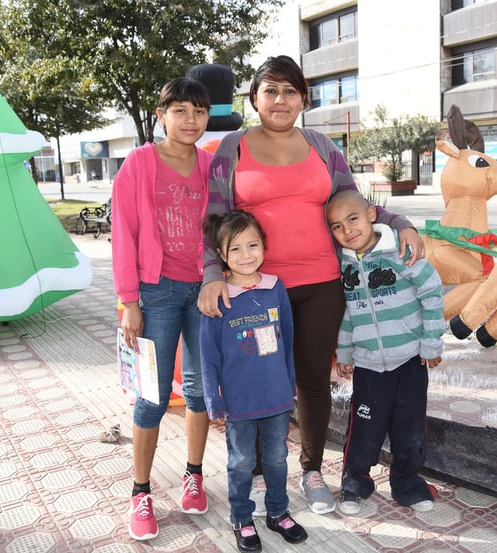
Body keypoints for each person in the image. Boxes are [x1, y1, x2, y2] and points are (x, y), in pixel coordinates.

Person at [197, 54, 426, 515]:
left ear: (303, 97)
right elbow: (215, 218)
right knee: (260, 378)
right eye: (270, 91)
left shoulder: (322, 145)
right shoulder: (233, 149)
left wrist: (400, 222)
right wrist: (211, 273)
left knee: (312, 382)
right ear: (255, 99)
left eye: (290, 90)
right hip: (257, 290)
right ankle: (260, 475)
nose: (280, 100)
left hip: (323, 282)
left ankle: (312, 469)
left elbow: (354, 205)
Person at [111, 77, 213, 540]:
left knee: (198, 389)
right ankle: (140, 492)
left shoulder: (212, 165)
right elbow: (124, 234)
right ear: (161, 115)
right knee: (151, 394)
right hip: (157, 292)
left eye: (199, 111)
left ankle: (194, 474)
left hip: (204, 291)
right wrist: (128, 299)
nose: (190, 120)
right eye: (180, 111)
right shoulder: (139, 162)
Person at [326, 189, 444, 515]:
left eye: (353, 219)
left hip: (409, 360)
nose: (347, 230)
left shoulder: (400, 253)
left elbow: (432, 293)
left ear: (371, 215)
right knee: (364, 428)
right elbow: (350, 313)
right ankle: (355, 482)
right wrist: (346, 353)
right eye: (337, 226)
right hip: (368, 366)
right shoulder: (346, 268)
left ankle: (407, 484)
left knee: (409, 429)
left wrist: (431, 342)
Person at [200, 210, 308, 552]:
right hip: (239, 402)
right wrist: (213, 401)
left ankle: (278, 512)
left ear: (264, 246)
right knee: (242, 462)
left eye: (253, 245)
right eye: (235, 249)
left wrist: (290, 385)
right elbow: (208, 354)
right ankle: (242, 518)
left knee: (276, 457)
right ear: (220, 255)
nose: (246, 255)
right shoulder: (218, 296)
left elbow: (288, 339)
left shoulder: (275, 288)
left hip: (276, 397)